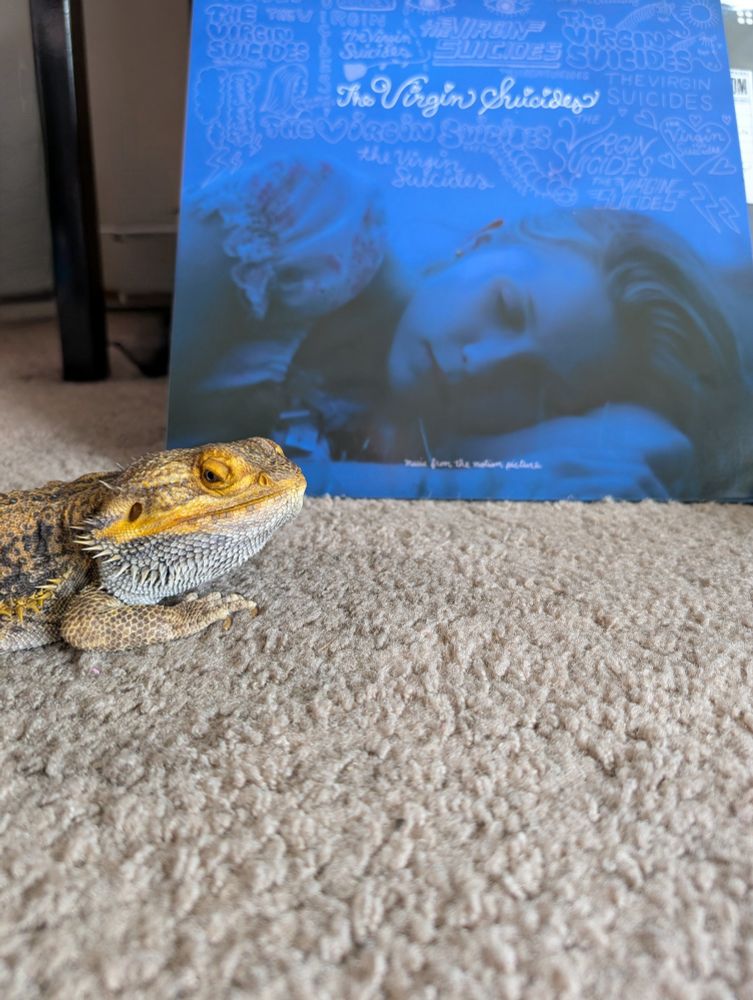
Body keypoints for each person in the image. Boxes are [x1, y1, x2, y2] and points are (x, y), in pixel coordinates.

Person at [170, 156, 752, 499]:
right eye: (507, 308)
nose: (484, 364)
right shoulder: (313, 221)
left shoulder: (462, 440)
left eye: (536, 384)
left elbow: (653, 446)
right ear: (480, 241)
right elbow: (172, 485)